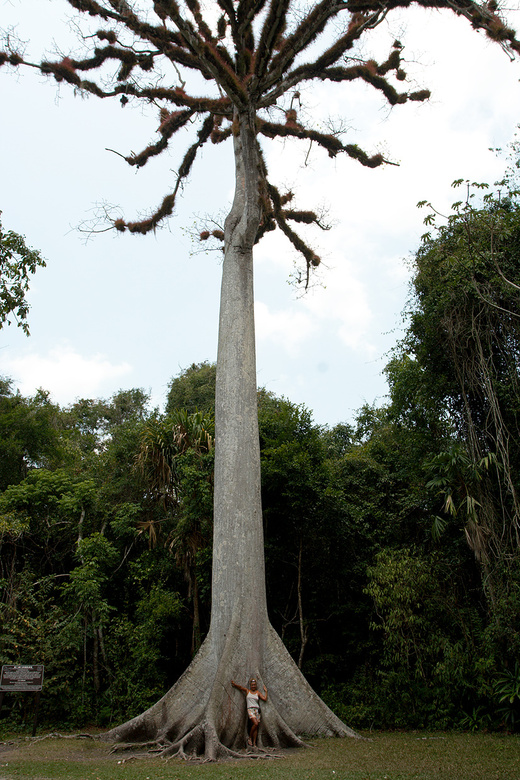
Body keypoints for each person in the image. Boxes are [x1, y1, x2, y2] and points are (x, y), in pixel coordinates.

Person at [231, 677, 267, 747]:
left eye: (254, 685)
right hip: (250, 709)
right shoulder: (248, 691)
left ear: (256, 685)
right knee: (255, 723)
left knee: (256, 727)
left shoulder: (258, 693)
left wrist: (266, 691)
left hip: (256, 710)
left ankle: (254, 743)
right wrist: (235, 685)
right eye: (252, 685)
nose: (253, 686)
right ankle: (250, 738)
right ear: (250, 686)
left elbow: (264, 699)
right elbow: (241, 688)